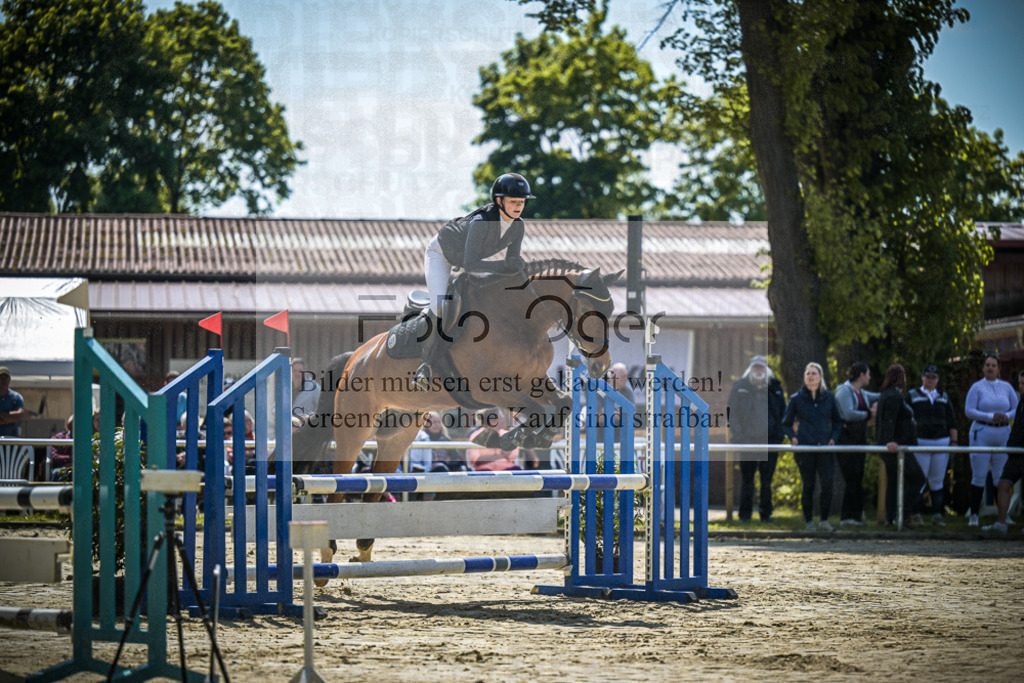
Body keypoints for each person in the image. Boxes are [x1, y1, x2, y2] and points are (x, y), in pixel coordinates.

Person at [414, 173, 535, 391]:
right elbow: (471, 265)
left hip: (468, 260)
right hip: (442, 255)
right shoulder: (481, 222)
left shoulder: (518, 226)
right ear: (499, 201)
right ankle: (425, 365)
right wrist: (507, 265)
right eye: (513, 202)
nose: (519, 206)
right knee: (440, 305)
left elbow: (510, 265)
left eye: (522, 202)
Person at [783, 362, 842, 531]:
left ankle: (824, 521)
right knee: (808, 485)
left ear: (820, 377)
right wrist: (793, 437)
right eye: (808, 373)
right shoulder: (796, 399)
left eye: (814, 373)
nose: (810, 376)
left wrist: (833, 438)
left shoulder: (829, 397)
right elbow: (786, 423)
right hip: (805, 449)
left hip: (825, 448)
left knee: (827, 484)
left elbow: (838, 422)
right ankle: (809, 522)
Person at [727, 355, 786, 523]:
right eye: (755, 367)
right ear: (750, 369)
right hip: (748, 441)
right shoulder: (740, 387)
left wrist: (780, 435)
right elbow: (732, 414)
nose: (758, 370)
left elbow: (784, 413)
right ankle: (744, 515)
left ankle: (766, 515)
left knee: (767, 480)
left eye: (761, 367)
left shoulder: (775, 388)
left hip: (770, 441)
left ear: (766, 370)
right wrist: (739, 436)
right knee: (747, 479)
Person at [963, 354, 1018, 526]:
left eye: (993, 365)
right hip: (982, 432)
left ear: (998, 368)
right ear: (983, 368)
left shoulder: (1006, 387)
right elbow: (969, 410)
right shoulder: (977, 387)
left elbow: (1016, 408)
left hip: (1002, 433)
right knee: (979, 475)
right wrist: (989, 416)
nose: (990, 368)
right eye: (987, 365)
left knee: (1000, 476)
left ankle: (1003, 515)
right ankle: (974, 515)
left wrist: (1007, 415)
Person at [875, 363, 927, 528]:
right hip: (897, 448)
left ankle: (891, 518)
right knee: (918, 479)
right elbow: (890, 421)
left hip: (891, 447)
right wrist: (890, 440)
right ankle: (904, 512)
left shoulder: (885, 395)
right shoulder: (894, 397)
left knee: (893, 482)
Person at [906, 365, 958, 527]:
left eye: (933, 377)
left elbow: (952, 420)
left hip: (941, 442)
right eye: (928, 377)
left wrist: (954, 442)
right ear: (922, 377)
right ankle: (916, 515)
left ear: (938, 379)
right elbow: (905, 417)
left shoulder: (944, 397)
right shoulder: (912, 395)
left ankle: (937, 515)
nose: (930, 380)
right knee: (919, 480)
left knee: (937, 481)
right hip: (921, 442)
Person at [834, 362, 879, 527]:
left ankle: (857, 515)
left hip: (859, 439)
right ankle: (847, 517)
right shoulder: (844, 391)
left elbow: (878, 396)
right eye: (868, 374)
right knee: (851, 477)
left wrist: (891, 392)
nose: (869, 377)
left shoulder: (862, 393)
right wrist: (868, 414)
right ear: (861, 375)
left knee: (858, 476)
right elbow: (848, 414)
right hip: (846, 439)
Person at [985, 370, 1024, 533]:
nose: (1021, 386)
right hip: (1015, 453)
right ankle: (1002, 523)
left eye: (1023, 383)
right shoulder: (1021, 403)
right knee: (1003, 484)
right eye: (1020, 383)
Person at [0, 366, 31, 437]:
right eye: (1, 377)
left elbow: (20, 416)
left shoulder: (16, 397)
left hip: (12, 439)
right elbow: (16, 416)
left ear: (9, 379)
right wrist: (10, 418)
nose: (3, 380)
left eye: (6, 377)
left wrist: (1, 416)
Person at [291, 357, 320, 426]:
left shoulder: (314, 388)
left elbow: (321, 410)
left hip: (306, 428)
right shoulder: (285, 387)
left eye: (300, 371)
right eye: (294, 371)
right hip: (286, 428)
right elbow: (275, 409)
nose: (297, 374)